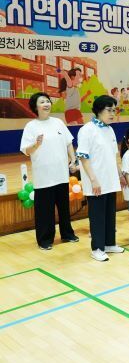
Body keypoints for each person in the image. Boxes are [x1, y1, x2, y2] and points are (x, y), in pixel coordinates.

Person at [20, 92, 79, 250]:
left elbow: (68, 142)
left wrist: (73, 159)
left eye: (47, 101)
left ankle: (67, 234)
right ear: (35, 107)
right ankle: (45, 240)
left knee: (64, 208)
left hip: (61, 174)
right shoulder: (31, 126)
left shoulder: (58, 122)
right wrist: (36, 145)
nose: (46, 104)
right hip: (44, 176)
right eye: (42, 102)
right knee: (44, 211)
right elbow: (26, 150)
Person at [76, 95, 127, 262]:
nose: (112, 113)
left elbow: (113, 155)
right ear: (99, 111)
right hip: (96, 181)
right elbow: (83, 157)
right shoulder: (87, 130)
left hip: (110, 179)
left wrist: (120, 174)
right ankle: (97, 248)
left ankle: (109, 243)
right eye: (109, 110)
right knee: (97, 215)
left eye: (114, 110)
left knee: (109, 213)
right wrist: (93, 180)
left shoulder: (109, 129)